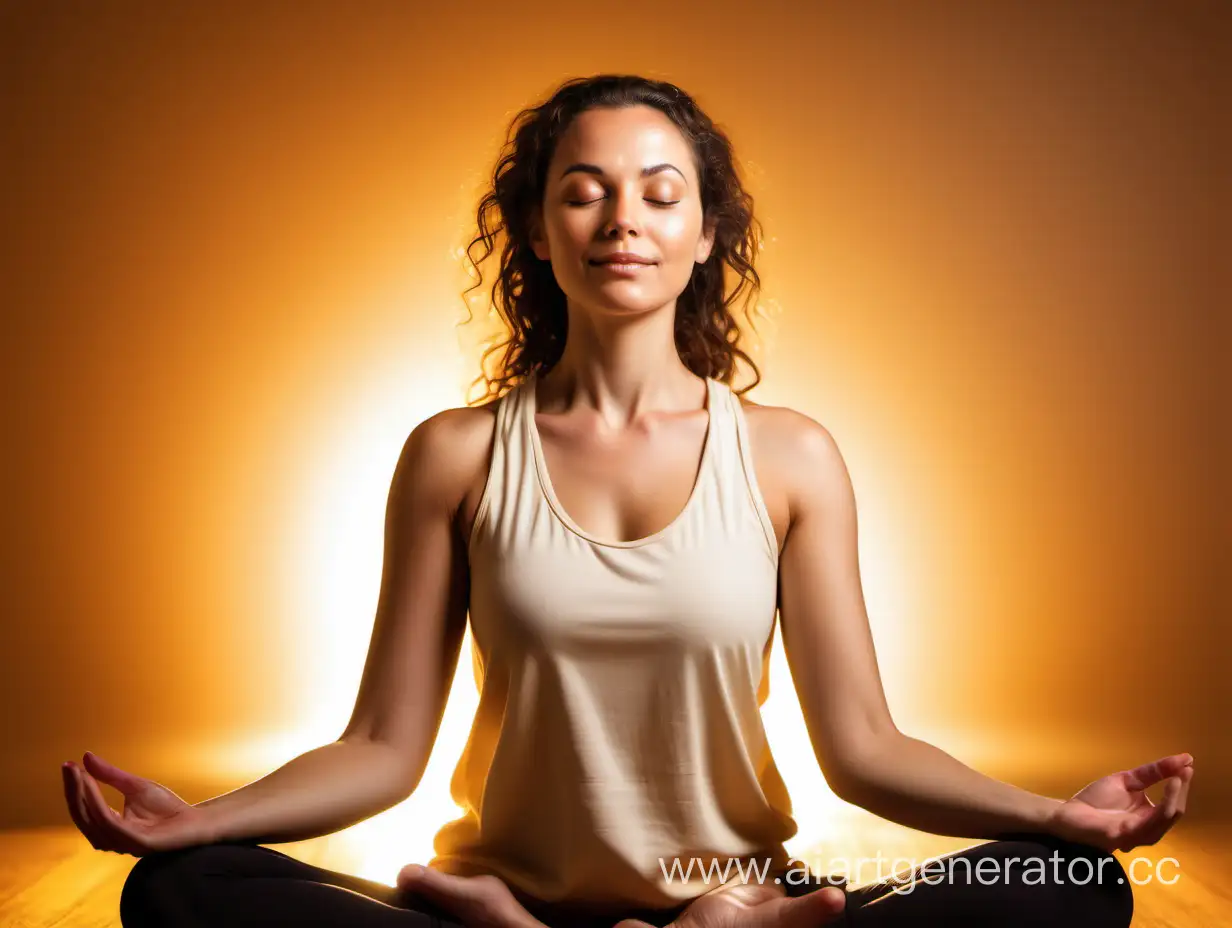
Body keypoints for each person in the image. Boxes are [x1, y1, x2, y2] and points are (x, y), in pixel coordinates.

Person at [61, 73, 1190, 928]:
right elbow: (378, 744)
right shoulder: (451, 457)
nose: (621, 220)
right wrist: (200, 818)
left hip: (739, 900)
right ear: (539, 231)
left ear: (704, 238)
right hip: (506, 899)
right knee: (180, 888)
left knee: (1073, 885)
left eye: (660, 193)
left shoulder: (788, 457)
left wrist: (1053, 818)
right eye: (583, 192)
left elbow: (862, 746)